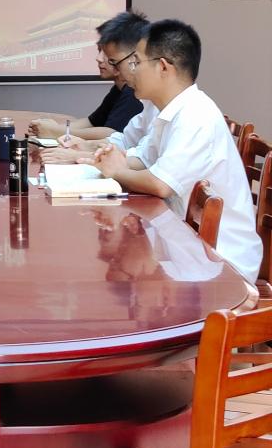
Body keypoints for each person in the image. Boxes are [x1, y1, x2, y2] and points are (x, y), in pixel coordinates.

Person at [85, 19, 261, 282]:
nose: (131, 72)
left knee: (134, 268)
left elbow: (160, 184)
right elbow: (142, 159)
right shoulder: (170, 112)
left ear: (163, 67)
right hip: (189, 245)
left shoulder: (195, 115)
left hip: (221, 261)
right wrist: (110, 159)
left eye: (137, 63)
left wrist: (117, 171)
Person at [30, 11, 147, 141]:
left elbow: (110, 135)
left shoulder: (135, 92)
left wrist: (56, 131)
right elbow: (93, 122)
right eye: (99, 51)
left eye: (109, 56)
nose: (99, 59)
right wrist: (51, 129)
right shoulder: (119, 89)